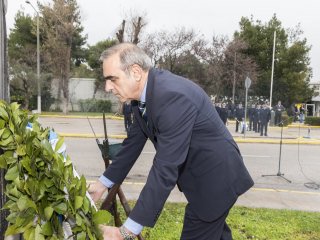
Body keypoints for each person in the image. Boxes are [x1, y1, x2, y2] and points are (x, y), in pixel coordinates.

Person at [88, 43, 254, 240]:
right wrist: (101, 185)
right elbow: (132, 145)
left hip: (215, 182)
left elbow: (165, 167)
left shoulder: (171, 97)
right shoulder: (142, 97)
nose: (107, 87)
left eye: (112, 79)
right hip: (204, 179)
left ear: (136, 72)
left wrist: (127, 232)